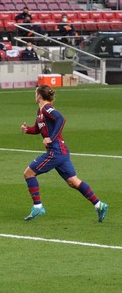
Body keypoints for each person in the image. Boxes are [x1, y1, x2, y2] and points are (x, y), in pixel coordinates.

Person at [19, 85, 108, 222]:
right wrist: (27, 130)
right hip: (61, 152)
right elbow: (38, 129)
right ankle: (99, 205)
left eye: (35, 93)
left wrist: (51, 138)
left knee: (28, 173)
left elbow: (61, 119)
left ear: (39, 96)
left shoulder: (47, 108)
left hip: (55, 152)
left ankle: (38, 206)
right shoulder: (40, 111)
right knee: (73, 182)